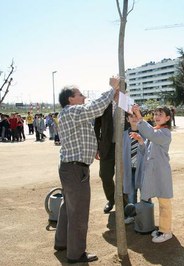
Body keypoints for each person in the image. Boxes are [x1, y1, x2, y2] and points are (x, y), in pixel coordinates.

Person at [54, 77, 120, 264]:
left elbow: (85, 128)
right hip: (75, 170)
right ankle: (76, 254)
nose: (83, 97)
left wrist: (94, 148)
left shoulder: (71, 113)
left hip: (71, 167)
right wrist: (112, 89)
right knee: (79, 213)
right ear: (70, 99)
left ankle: (62, 243)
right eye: (80, 94)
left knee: (69, 207)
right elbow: (94, 108)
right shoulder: (73, 111)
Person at [131, 104, 174, 243]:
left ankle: (166, 231)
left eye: (160, 114)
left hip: (161, 172)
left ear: (168, 118)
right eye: (155, 114)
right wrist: (141, 141)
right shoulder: (156, 131)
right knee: (161, 200)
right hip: (154, 172)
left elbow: (150, 134)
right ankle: (162, 229)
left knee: (164, 202)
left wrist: (138, 116)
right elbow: (146, 151)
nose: (156, 117)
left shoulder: (165, 133)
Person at [94, 103, 117, 214]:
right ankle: (111, 200)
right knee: (105, 175)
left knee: (125, 177)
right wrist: (97, 147)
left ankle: (126, 204)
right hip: (107, 146)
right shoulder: (104, 105)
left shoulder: (128, 103)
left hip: (124, 146)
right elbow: (96, 126)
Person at [122, 112, 144, 224]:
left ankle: (144, 214)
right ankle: (131, 214)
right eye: (131, 116)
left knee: (144, 192)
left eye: (136, 116)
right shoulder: (124, 134)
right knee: (131, 192)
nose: (134, 118)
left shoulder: (145, 133)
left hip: (142, 168)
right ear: (127, 119)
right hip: (129, 168)